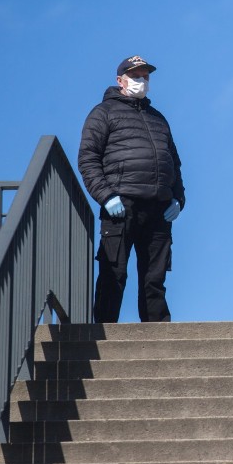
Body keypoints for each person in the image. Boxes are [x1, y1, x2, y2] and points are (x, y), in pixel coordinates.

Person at [78, 55, 186, 323]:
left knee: (155, 279)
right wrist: (106, 196)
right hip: (121, 206)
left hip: (159, 209)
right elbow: (88, 159)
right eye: (136, 76)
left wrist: (178, 199)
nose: (142, 81)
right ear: (120, 80)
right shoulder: (102, 113)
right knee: (114, 274)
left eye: (145, 76)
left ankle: (159, 339)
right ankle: (103, 338)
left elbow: (175, 163)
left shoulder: (158, 119)